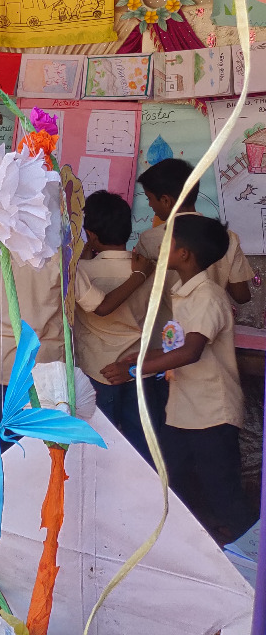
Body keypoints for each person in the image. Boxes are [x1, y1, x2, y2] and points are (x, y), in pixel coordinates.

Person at [103, 215, 253, 544]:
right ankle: (200, 540)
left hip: (211, 413)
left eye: (167, 244)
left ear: (184, 254)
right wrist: (143, 355)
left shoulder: (208, 296)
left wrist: (137, 369)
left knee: (222, 490)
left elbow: (191, 352)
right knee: (174, 479)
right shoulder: (184, 292)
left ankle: (251, 552)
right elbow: (180, 345)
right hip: (184, 410)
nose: (160, 248)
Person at [72, 191, 152, 455]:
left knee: (98, 450)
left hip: (97, 371)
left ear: (90, 235)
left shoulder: (81, 271)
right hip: (139, 370)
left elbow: (99, 306)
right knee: (140, 449)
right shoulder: (147, 269)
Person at [136, 158, 253, 303]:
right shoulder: (227, 237)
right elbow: (242, 296)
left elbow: (140, 293)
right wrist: (219, 269)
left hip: (168, 319)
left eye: (149, 198)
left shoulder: (148, 239)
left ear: (166, 201)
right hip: (211, 314)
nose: (149, 204)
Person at [0, 240, 63, 419]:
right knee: (44, 433)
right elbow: (90, 302)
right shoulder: (57, 256)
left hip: (5, 363)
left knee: (8, 432)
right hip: (46, 362)